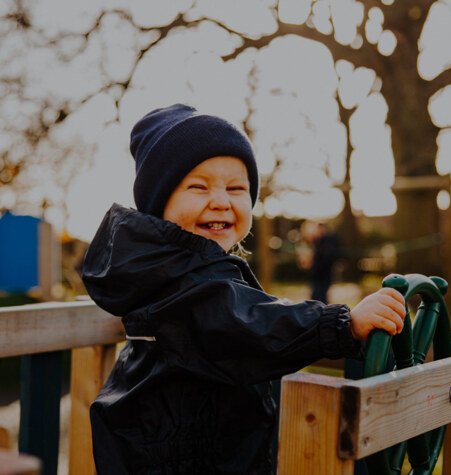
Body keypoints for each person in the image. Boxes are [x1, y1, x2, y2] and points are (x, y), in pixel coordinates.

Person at [80, 104, 405, 474]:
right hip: (176, 458)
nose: (221, 201)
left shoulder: (186, 268)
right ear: (159, 204)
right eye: (198, 187)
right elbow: (243, 324)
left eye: (237, 188)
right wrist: (340, 325)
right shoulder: (174, 281)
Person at [303, 221, 341, 304]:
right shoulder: (319, 241)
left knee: (320, 295)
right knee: (317, 295)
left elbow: (327, 257)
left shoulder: (327, 241)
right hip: (319, 273)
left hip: (323, 272)